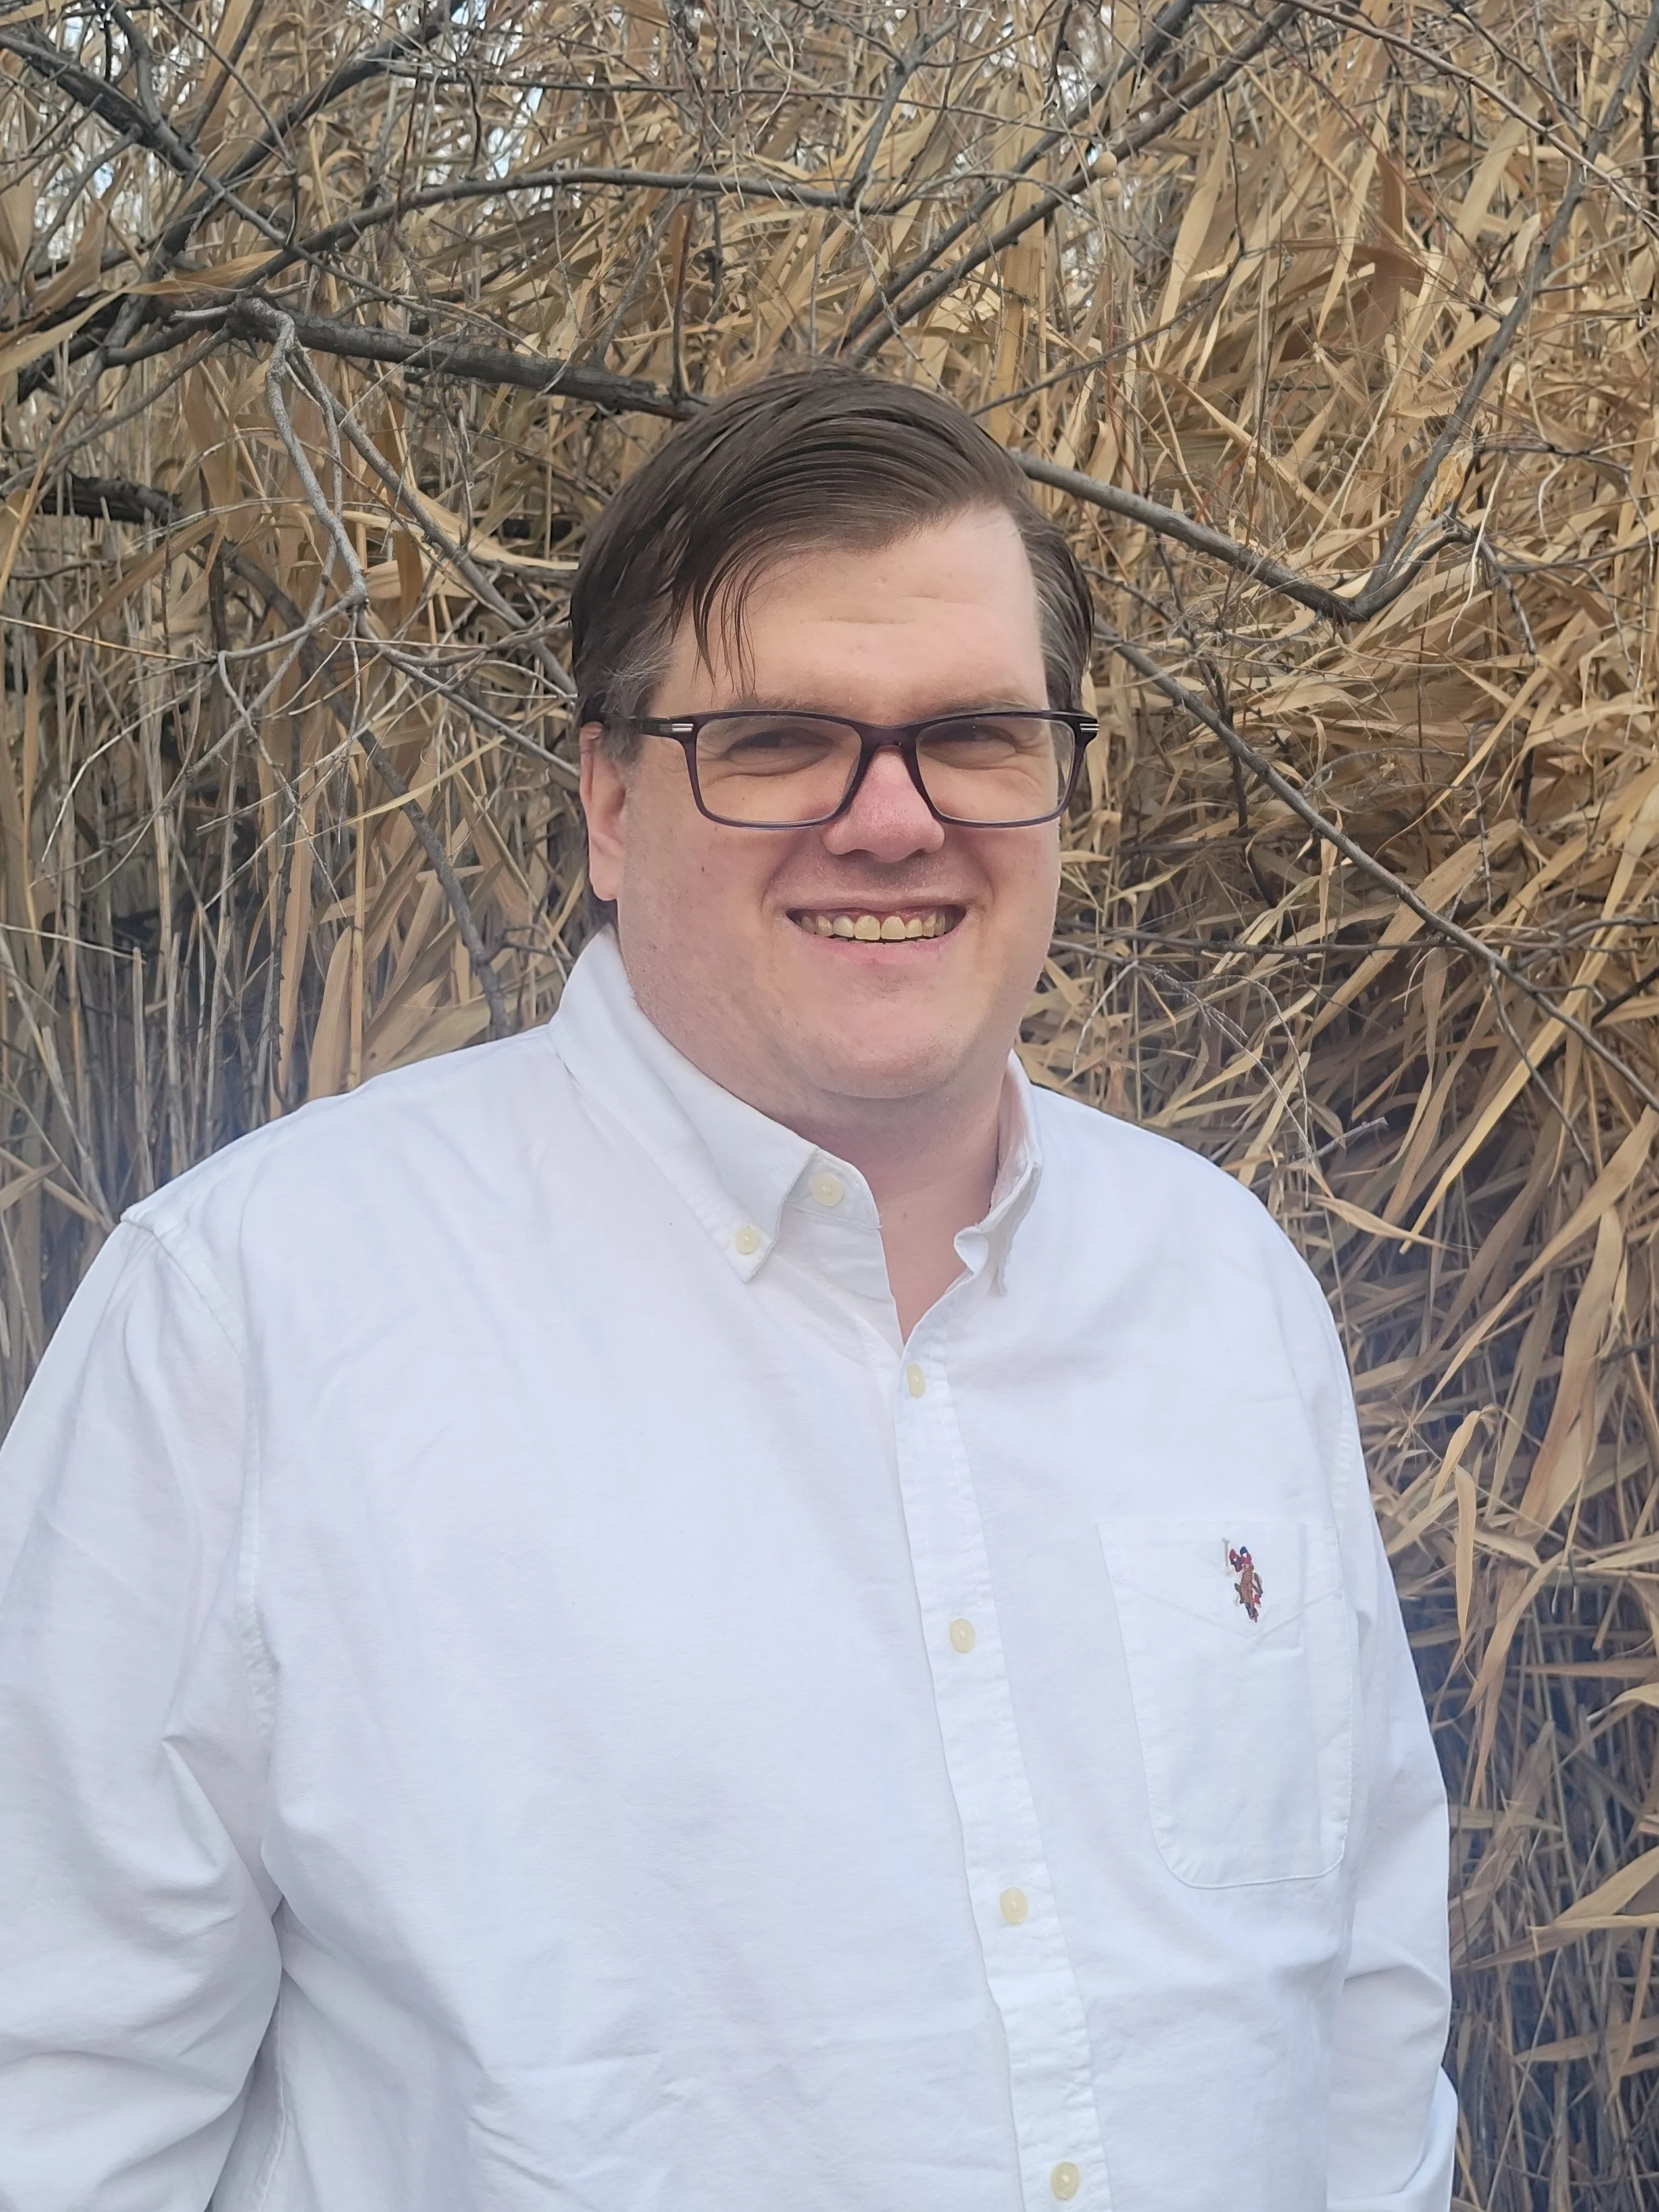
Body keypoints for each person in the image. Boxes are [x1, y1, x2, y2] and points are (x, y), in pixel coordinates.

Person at [0, 368, 1454, 2211]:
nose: (891, 818)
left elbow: (1362, 2025)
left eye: (975, 734)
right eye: (775, 740)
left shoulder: (1222, 1286)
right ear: (609, 803)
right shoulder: (251, 1323)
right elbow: (54, 2103)